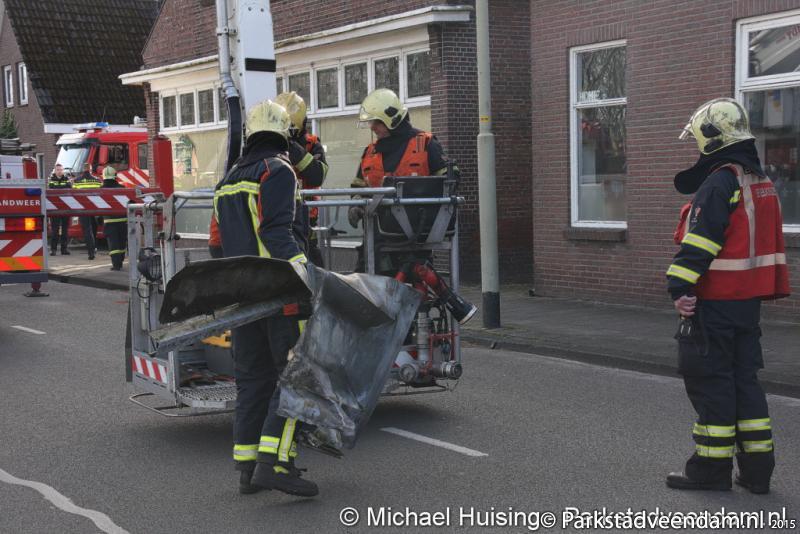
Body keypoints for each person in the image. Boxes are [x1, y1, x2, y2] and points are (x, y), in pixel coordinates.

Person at [665, 97, 790, 494]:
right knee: (744, 383)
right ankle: (757, 472)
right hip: (746, 307)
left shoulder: (721, 181)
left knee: (712, 383)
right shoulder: (760, 181)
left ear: (711, 137)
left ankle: (710, 470)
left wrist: (679, 288)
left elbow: (702, 242)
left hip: (715, 304)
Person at [213, 99, 316, 498]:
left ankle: (247, 468)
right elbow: (277, 233)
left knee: (253, 380)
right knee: (296, 376)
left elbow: (218, 245)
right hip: (278, 291)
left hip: (242, 296)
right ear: (285, 134)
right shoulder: (279, 170)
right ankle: (276, 464)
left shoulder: (228, 181)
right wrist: (307, 275)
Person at [348, 88, 454, 274]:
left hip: (416, 236)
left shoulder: (426, 144)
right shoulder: (370, 152)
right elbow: (358, 187)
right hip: (376, 239)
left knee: (413, 285)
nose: (372, 127)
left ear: (392, 120)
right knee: (365, 285)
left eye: (377, 122)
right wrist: (355, 204)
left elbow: (450, 181)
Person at [275, 91, 328, 266]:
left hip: (306, 221)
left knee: (315, 269)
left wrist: (295, 151)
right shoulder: (272, 143)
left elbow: (318, 176)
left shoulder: (313, 144)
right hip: (280, 218)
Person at [72, 163, 101, 259]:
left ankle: (90, 252)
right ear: (91, 169)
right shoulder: (97, 181)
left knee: (87, 230)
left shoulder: (76, 181)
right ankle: (94, 247)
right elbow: (101, 194)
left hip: (82, 209)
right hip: (94, 209)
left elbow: (74, 195)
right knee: (94, 229)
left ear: (83, 169)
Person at [101, 166, 127, 271]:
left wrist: (99, 219)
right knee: (122, 242)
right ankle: (121, 261)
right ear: (115, 175)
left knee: (113, 244)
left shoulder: (101, 190)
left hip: (109, 221)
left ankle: (116, 264)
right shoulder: (122, 188)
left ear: (103, 176)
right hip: (123, 220)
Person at [47, 163, 72, 255]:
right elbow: (51, 188)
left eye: (61, 170)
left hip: (65, 208)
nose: (60, 171)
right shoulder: (51, 179)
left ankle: (64, 249)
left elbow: (69, 188)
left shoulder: (67, 178)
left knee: (65, 230)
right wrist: (62, 188)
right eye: (58, 170)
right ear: (55, 170)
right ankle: (53, 250)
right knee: (55, 230)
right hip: (55, 208)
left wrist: (59, 188)